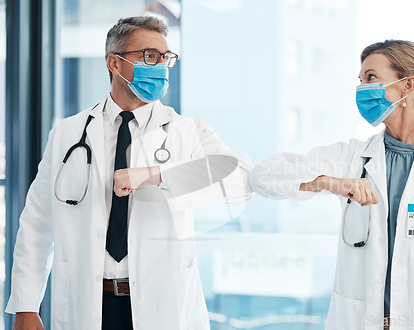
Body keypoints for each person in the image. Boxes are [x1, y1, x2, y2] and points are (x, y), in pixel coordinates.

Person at [6, 16, 252, 330]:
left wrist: (156, 175)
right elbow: (37, 223)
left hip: (163, 308)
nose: (161, 66)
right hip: (89, 305)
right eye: (149, 56)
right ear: (115, 63)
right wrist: (26, 306)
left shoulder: (188, 131)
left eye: (166, 58)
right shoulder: (68, 134)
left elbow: (240, 179)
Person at [249, 40, 414, 329]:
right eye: (361, 79)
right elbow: (262, 176)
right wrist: (329, 183)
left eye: (371, 78)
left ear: (407, 85)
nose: (362, 89)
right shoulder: (352, 157)